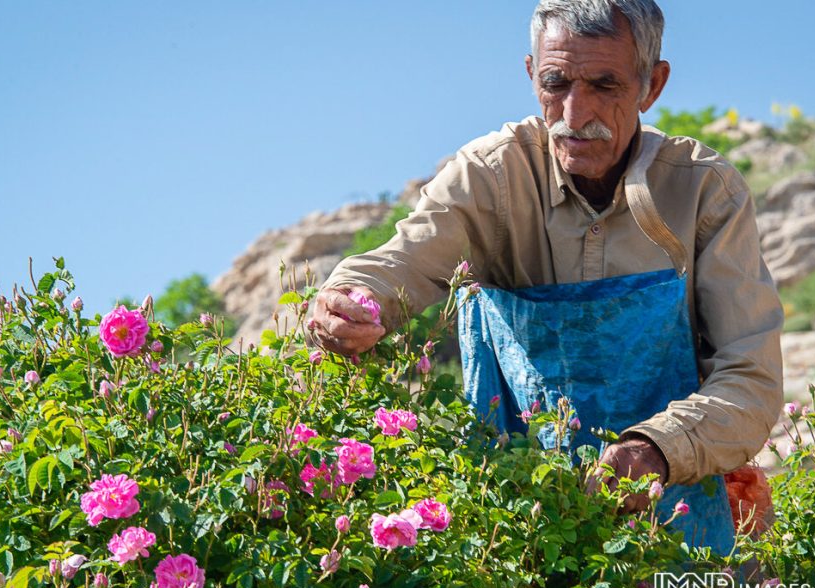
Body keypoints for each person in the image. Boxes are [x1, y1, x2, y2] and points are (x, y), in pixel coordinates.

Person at [308, 0, 782, 545]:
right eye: (557, 83)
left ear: (652, 85)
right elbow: (403, 259)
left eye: (605, 85)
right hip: (516, 521)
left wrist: (654, 450)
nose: (575, 115)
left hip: (675, 511)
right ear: (532, 75)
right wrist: (349, 300)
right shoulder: (491, 175)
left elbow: (752, 380)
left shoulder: (703, 191)